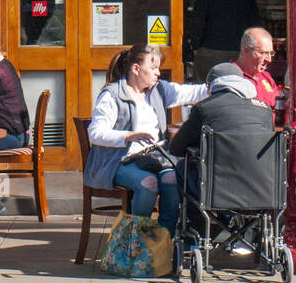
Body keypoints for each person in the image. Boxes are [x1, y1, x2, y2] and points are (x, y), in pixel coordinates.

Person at [85, 44, 208, 234]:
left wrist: (219, 86)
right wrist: (128, 136)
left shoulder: (158, 90)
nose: (158, 73)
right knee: (148, 183)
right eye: (153, 68)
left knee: (172, 179)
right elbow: (95, 132)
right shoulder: (112, 95)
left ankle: (164, 237)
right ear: (136, 69)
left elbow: (191, 93)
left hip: (152, 157)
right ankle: (137, 238)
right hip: (119, 160)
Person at [190, 0, 262, 81]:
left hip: (209, 51)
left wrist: (196, 46)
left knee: (204, 90)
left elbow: (198, 20)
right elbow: (255, 24)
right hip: (238, 52)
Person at [234, 27, 279, 107]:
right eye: (263, 53)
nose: (269, 60)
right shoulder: (231, 76)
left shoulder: (266, 77)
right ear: (246, 50)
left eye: (271, 53)